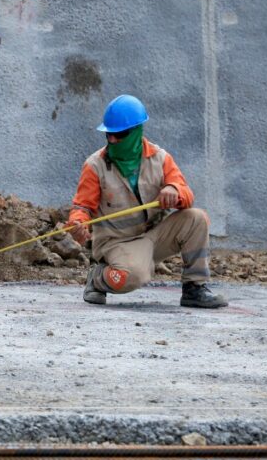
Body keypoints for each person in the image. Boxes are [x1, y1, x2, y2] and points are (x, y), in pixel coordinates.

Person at [67, 94, 226, 309]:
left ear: (136, 131)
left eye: (120, 134)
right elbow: (82, 207)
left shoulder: (160, 159)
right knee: (132, 276)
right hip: (117, 243)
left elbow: (187, 194)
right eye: (108, 134)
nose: (112, 140)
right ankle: (97, 277)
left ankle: (194, 288)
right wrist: (79, 224)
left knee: (196, 218)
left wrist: (174, 191)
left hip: (154, 237)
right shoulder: (95, 166)